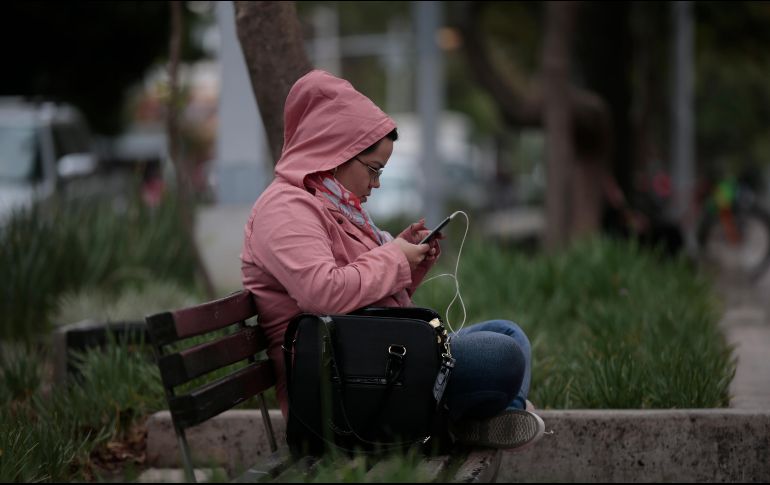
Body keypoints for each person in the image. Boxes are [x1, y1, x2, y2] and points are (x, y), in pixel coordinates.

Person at [241, 70, 544, 450]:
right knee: (501, 356)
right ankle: (461, 422)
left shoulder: (333, 207)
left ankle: (468, 424)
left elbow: (362, 297)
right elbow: (322, 293)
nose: (377, 183)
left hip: (376, 362)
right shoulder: (285, 209)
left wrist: (407, 267)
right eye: (374, 169)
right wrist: (392, 257)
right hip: (342, 387)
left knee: (508, 334)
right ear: (335, 153)